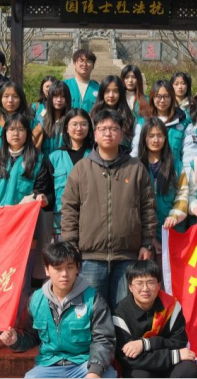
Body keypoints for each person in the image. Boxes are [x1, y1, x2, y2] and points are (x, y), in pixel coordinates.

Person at [61, 109, 156, 307]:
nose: (108, 133)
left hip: (127, 256)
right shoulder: (81, 168)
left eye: (113, 128)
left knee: (125, 310)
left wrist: (146, 243)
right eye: (102, 129)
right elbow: (69, 209)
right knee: (92, 310)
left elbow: (148, 208)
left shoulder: (136, 168)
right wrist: (71, 246)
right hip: (90, 258)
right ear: (95, 134)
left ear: (121, 134)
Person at [0, 112, 54, 353]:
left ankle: (18, 329)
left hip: (25, 234)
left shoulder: (38, 160)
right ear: (4, 133)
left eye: (21, 129)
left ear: (27, 133)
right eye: (12, 129)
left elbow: (45, 192)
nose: (16, 133)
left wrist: (33, 201)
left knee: (21, 284)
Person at [0, 242, 117, 379]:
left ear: (77, 268)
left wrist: (95, 371)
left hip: (84, 363)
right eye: (58, 268)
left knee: (107, 375)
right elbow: (31, 336)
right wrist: (15, 340)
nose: (64, 274)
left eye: (70, 267)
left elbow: (104, 339)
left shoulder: (93, 299)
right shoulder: (35, 299)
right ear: (47, 270)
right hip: (49, 365)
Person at [113, 261, 197, 379]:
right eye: (139, 283)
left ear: (159, 285)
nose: (145, 289)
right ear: (130, 287)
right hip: (141, 366)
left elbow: (179, 342)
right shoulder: (120, 313)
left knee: (188, 370)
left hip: (170, 365)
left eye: (151, 282)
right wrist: (173, 356)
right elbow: (128, 358)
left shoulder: (171, 306)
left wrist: (146, 344)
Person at [137, 118, 189, 256]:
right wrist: (149, 238)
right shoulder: (136, 166)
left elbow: (183, 194)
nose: (156, 140)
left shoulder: (176, 164)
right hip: (143, 237)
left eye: (160, 135)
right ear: (144, 138)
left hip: (171, 231)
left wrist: (175, 216)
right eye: (151, 136)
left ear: (165, 138)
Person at [131, 80, 195, 173]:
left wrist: (186, 177)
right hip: (147, 176)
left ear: (172, 98)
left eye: (166, 96)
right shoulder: (142, 123)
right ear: (152, 98)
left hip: (175, 176)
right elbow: (136, 150)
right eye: (158, 96)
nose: (162, 100)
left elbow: (190, 153)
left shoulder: (184, 124)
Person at [48, 109, 93, 240]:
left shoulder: (96, 155)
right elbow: (49, 193)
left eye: (83, 124)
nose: (79, 128)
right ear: (67, 128)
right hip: (61, 225)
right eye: (74, 124)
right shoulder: (54, 157)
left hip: (92, 224)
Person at [0, 81, 44, 163]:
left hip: (24, 167)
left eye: (15, 96)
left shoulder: (32, 123)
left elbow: (35, 150)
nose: (10, 100)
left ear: (21, 99)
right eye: (6, 96)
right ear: (0, 99)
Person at [90, 75, 137, 150]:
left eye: (115, 91)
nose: (111, 95)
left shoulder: (129, 117)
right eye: (107, 91)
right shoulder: (94, 115)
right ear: (102, 93)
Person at [39, 81, 72, 156]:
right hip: (44, 161)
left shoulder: (71, 119)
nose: (59, 100)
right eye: (55, 96)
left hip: (64, 160)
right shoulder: (41, 119)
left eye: (63, 96)